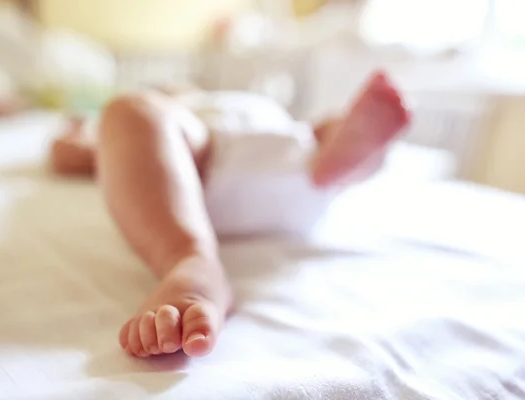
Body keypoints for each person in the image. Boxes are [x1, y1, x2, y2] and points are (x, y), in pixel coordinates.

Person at [49, 70, 411, 358]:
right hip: (248, 179)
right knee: (130, 113)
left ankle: (345, 146)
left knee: (132, 113)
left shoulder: (191, 107)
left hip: (289, 160)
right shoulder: (188, 111)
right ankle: (348, 153)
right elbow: (83, 157)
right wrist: (80, 137)